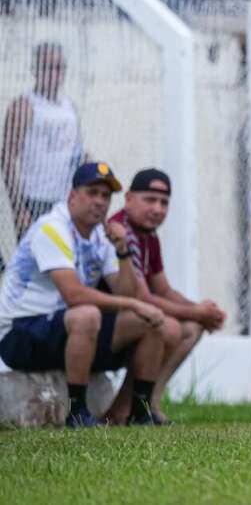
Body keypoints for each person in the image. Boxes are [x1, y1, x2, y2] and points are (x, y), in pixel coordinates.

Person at [0, 162, 171, 427]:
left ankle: (140, 412)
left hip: (63, 328)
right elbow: (74, 295)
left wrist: (123, 251)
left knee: (152, 324)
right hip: (20, 332)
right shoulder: (52, 228)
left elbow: (126, 292)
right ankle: (76, 412)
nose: (100, 202)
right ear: (72, 196)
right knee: (87, 314)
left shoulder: (101, 237)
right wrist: (134, 304)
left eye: (105, 196)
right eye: (92, 193)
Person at [104, 168, 227, 424]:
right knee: (166, 327)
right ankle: (124, 410)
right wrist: (198, 312)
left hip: (130, 320)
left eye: (164, 202)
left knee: (191, 327)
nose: (158, 209)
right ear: (128, 199)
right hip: (107, 323)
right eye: (150, 199)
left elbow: (164, 289)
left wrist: (203, 311)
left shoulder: (149, 235)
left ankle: (150, 403)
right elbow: (144, 298)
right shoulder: (121, 230)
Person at [2, 42, 85, 238]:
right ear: (36, 70)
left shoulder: (69, 107)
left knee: (65, 263)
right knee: (36, 263)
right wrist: (19, 209)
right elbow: (7, 158)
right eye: (48, 67)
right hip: (35, 199)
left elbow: (77, 152)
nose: (55, 73)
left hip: (65, 201)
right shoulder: (24, 106)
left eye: (59, 67)